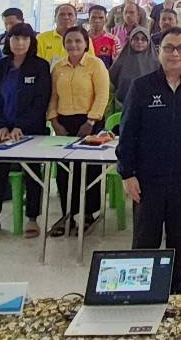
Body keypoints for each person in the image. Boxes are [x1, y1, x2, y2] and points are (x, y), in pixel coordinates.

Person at [119, 27, 181, 295]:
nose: (175, 54)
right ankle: (138, 292)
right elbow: (127, 133)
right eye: (169, 48)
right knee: (145, 239)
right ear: (159, 51)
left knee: (179, 239)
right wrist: (127, 173)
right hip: (147, 180)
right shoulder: (142, 86)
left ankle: (176, 291)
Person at [0, 23, 50, 240]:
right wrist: (1, 125)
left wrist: (20, 126)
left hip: (31, 130)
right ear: (8, 41)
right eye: (16, 38)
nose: (20, 43)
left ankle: (32, 218)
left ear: (31, 42)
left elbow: (41, 101)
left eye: (25, 39)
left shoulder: (40, 66)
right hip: (1, 131)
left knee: (32, 173)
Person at [47, 26, 110, 237]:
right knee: (65, 171)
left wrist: (90, 121)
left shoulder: (95, 64)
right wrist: (54, 121)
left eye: (78, 41)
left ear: (85, 43)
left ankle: (88, 214)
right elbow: (53, 96)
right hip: (64, 124)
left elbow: (102, 95)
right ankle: (68, 214)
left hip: (90, 123)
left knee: (89, 170)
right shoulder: (59, 67)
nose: (73, 45)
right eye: (69, 41)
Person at [109, 27, 157, 111]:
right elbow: (112, 81)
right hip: (122, 106)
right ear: (130, 40)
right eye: (136, 39)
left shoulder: (156, 62)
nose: (139, 42)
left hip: (150, 106)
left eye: (143, 39)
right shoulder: (121, 60)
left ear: (149, 41)